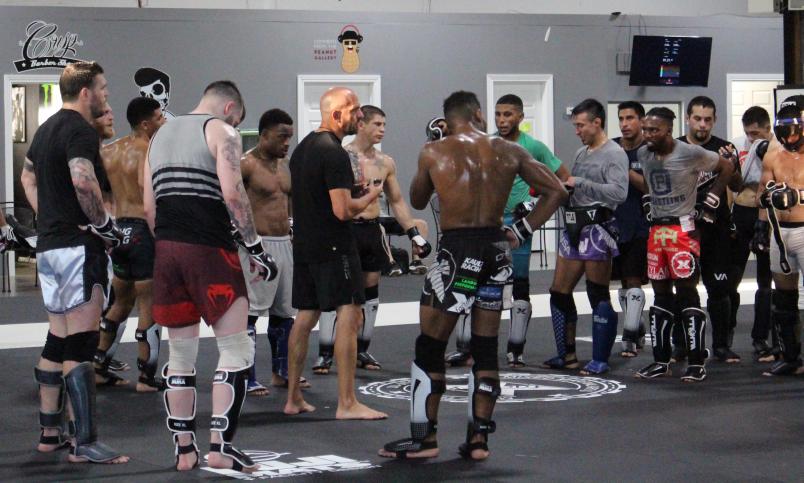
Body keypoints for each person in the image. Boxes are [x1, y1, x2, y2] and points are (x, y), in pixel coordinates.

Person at [379, 90, 566, 461]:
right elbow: (557, 189)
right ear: (479, 114)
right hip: (496, 253)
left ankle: (425, 438)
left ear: (447, 121)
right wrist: (523, 229)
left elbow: (417, 199)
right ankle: (479, 440)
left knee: (430, 346)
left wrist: (430, 149)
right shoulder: (510, 151)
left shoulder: (435, 151)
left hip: (459, 256)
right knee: (484, 347)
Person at [144, 80, 276, 473]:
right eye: (238, 117)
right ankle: (220, 448)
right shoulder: (222, 131)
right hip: (210, 251)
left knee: (180, 354)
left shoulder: (159, 136)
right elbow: (233, 193)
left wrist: (171, 245)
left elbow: (149, 207)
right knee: (236, 350)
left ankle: (185, 451)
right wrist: (254, 247)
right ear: (230, 107)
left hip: (167, 251)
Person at [20, 61, 128, 464]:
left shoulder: (45, 129)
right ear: (86, 92)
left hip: (50, 248)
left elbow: (27, 177)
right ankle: (84, 442)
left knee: (59, 340)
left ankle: (50, 433)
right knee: (80, 346)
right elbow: (83, 180)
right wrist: (104, 226)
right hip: (78, 248)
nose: (105, 95)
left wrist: (51, 215)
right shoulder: (80, 130)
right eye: (102, 88)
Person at [283, 87, 387, 420]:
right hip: (335, 246)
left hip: (305, 244)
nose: (360, 115)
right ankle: (347, 402)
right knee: (350, 315)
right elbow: (343, 211)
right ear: (337, 114)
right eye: (355, 110)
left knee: (305, 316)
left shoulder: (302, 150)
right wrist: (371, 196)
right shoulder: (334, 152)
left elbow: (314, 197)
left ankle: (293, 398)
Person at [313, 105, 431, 374]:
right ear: (361, 124)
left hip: (372, 230)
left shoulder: (385, 162)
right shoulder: (340, 156)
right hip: (343, 229)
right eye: (377, 124)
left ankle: (362, 349)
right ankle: (325, 353)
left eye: (384, 125)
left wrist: (413, 233)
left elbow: (397, 201)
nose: (382, 130)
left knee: (370, 291)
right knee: (339, 293)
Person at [636, 107, 734, 382]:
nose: (648, 135)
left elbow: (727, 167)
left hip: (683, 230)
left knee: (688, 292)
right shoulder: (645, 153)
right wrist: (648, 198)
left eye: (654, 130)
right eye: (646, 129)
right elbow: (648, 180)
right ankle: (660, 360)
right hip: (657, 230)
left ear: (668, 130)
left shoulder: (690, 152)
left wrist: (713, 197)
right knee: (660, 295)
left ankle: (696, 361)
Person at [542, 98, 628, 375]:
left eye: (580, 125)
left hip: (597, 230)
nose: (577, 130)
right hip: (573, 226)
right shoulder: (582, 153)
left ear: (597, 123)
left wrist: (581, 183)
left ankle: (600, 358)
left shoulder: (614, 153)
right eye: (575, 125)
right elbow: (576, 189)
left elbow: (619, 193)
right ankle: (566, 355)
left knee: (597, 293)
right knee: (558, 292)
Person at [93, 97, 167, 391]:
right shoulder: (148, 150)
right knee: (149, 303)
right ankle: (147, 377)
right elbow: (149, 197)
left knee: (121, 301)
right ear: (146, 123)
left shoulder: (108, 151)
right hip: (142, 232)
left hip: (118, 230)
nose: (163, 123)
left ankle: (98, 366)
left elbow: (100, 194)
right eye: (160, 118)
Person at [237, 108, 308, 395]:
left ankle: (281, 372)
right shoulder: (246, 165)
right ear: (264, 135)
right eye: (281, 137)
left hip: (284, 244)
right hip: (256, 247)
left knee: (285, 313)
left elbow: (288, 203)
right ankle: (247, 376)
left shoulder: (286, 165)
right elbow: (228, 203)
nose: (286, 143)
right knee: (251, 314)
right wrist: (242, 240)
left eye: (290, 137)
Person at [676, 96, 742, 363]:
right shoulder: (676, 147)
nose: (702, 125)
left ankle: (722, 346)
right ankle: (683, 344)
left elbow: (737, 186)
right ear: (688, 118)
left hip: (717, 228)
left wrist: (732, 165)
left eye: (707, 120)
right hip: (684, 227)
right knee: (684, 288)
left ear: (714, 120)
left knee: (719, 288)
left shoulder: (724, 148)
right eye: (697, 119)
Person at [753, 100, 804, 376]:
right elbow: (763, 193)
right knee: (783, 299)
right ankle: (791, 357)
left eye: (795, 132)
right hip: (779, 234)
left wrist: (798, 196)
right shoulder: (772, 155)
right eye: (786, 134)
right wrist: (761, 228)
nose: (791, 139)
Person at [729, 106, 777, 361]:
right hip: (741, 211)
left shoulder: (779, 148)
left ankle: (760, 337)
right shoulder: (738, 145)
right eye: (748, 133)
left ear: (768, 129)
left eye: (757, 133)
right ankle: (726, 335)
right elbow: (730, 182)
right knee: (732, 276)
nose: (752, 138)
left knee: (765, 281)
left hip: (767, 217)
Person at [611, 101, 650, 357]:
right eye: (621, 118)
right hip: (614, 224)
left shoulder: (650, 150)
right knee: (623, 282)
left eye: (630, 118)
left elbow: (651, 186)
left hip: (643, 224)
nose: (625, 124)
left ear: (642, 120)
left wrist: (622, 170)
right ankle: (636, 326)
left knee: (635, 279)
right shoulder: (611, 147)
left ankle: (629, 333)